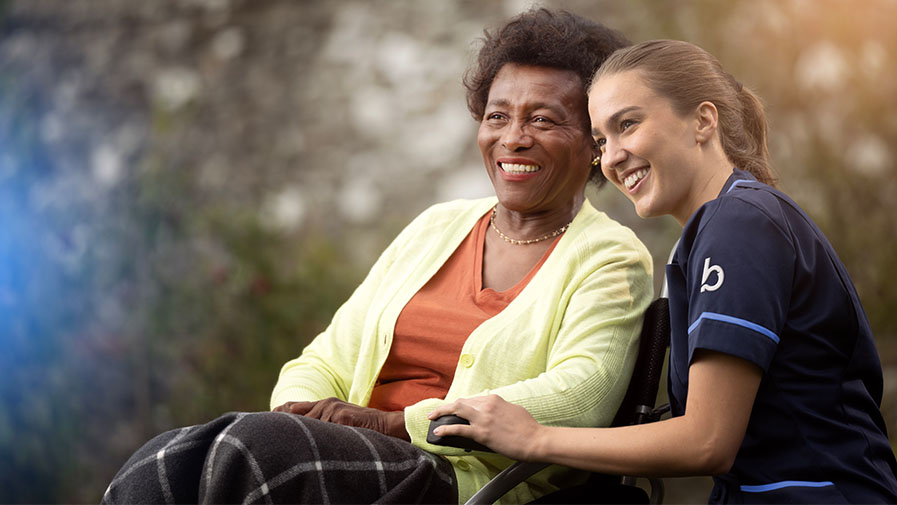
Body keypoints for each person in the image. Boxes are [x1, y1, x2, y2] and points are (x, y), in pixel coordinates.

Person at [101, 9, 653, 505]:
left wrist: (397, 424)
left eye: (543, 120)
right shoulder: (437, 227)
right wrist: (302, 415)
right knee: (170, 459)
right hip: (341, 458)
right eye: (497, 116)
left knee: (250, 453)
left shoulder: (609, 259)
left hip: (466, 483)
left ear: (595, 144)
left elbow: (582, 395)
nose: (513, 138)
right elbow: (322, 361)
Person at [429, 39, 897, 504]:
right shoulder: (716, 230)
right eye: (601, 141)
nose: (612, 156)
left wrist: (533, 437)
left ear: (702, 120)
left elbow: (706, 441)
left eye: (628, 125)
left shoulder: (738, 224)